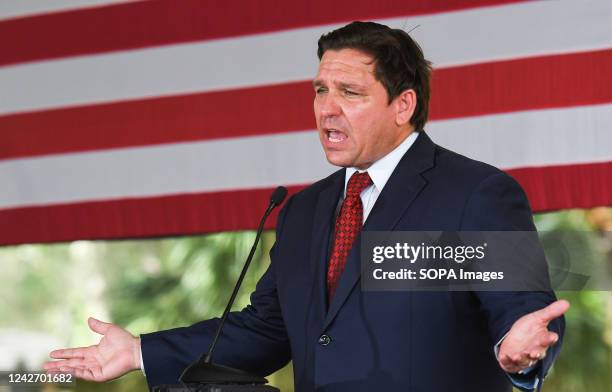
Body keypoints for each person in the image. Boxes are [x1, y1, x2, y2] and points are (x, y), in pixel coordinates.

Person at [44, 21, 568, 392]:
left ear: (403, 105)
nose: (327, 109)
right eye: (320, 90)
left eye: (350, 92)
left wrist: (516, 349)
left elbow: (524, 312)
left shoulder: (476, 193)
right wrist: (138, 352)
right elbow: (269, 331)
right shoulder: (303, 211)